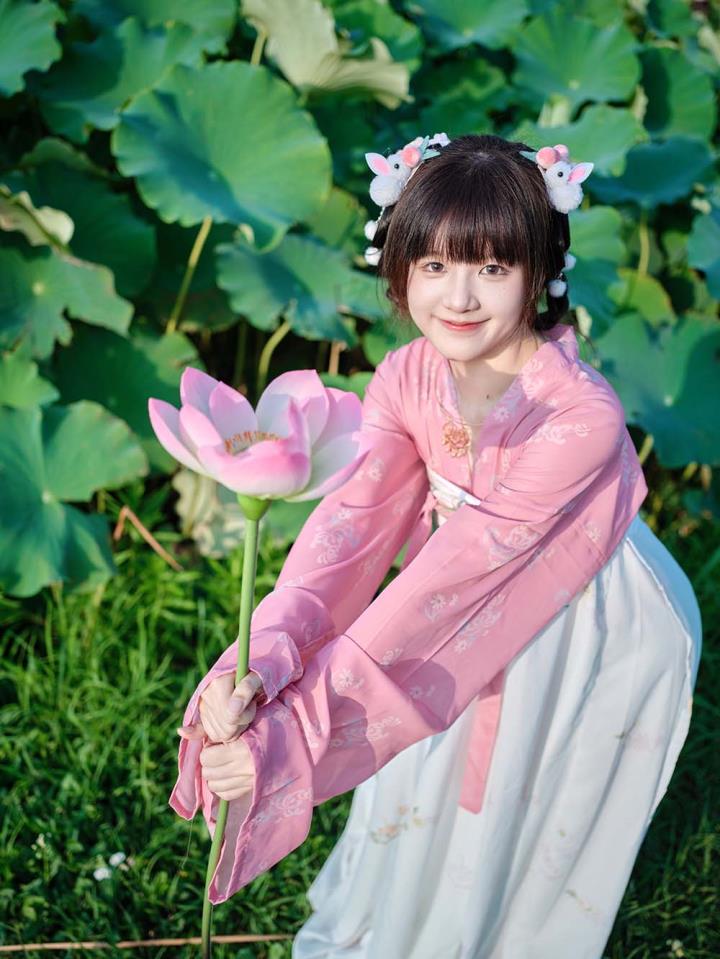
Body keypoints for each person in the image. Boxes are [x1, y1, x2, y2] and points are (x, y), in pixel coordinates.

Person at [170, 134, 703, 958]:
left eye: (492, 267)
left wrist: (296, 734)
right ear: (400, 265)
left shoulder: (581, 416)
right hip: (447, 596)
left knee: (523, 793)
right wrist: (257, 670)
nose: (459, 296)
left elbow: (452, 582)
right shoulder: (406, 377)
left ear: (539, 269)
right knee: (423, 765)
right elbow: (345, 539)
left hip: (583, 616)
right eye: (434, 265)